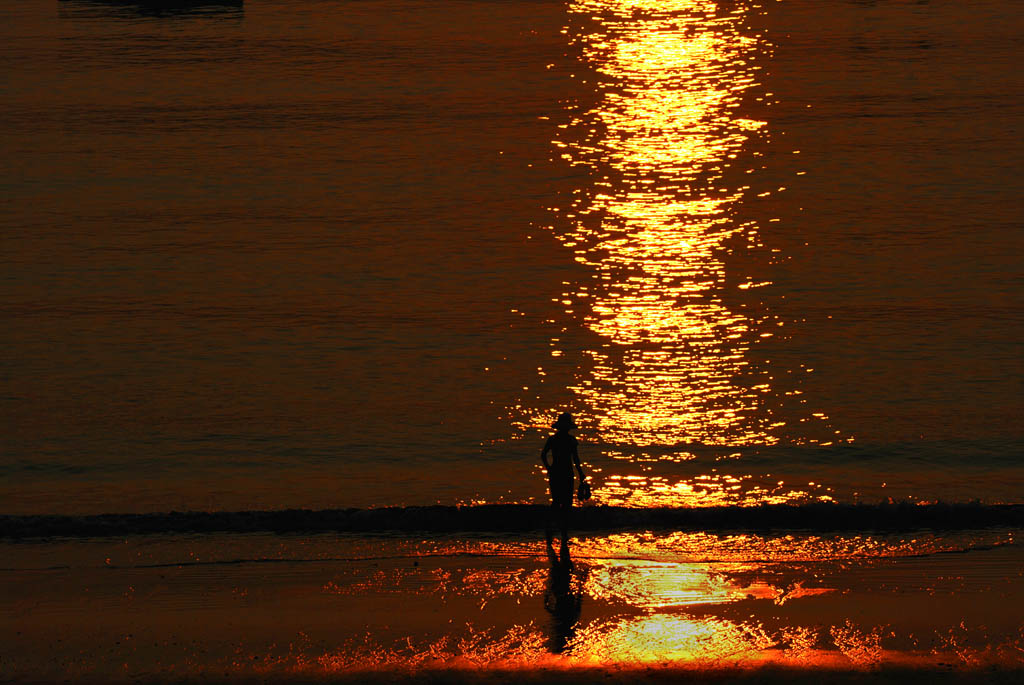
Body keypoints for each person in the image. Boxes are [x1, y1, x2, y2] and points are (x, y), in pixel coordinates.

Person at [541, 412, 586, 548]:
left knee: (556, 501)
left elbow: (543, 455)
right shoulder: (571, 440)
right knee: (566, 503)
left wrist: (549, 468)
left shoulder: (553, 439)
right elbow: (576, 460)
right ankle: (563, 532)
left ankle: (550, 528)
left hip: (556, 473)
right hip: (566, 474)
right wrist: (581, 473)